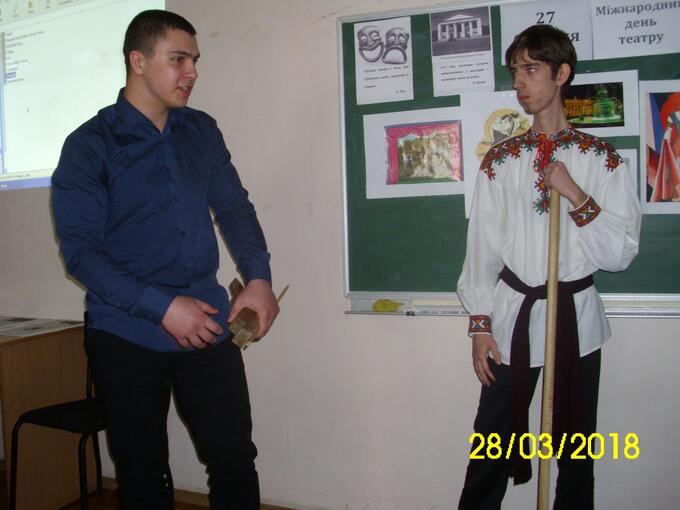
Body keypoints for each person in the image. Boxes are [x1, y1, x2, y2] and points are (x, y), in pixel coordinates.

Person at [51, 9, 279, 509]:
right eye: (178, 59)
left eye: (194, 60)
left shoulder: (202, 131)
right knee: (143, 477)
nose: (191, 72)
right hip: (125, 333)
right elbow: (81, 253)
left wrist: (258, 278)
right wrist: (163, 306)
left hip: (208, 323)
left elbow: (234, 207)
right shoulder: (88, 146)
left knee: (234, 461)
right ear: (138, 61)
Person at [456, 24, 641, 510]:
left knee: (576, 448)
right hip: (512, 316)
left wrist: (576, 194)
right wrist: (480, 324)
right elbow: (482, 249)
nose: (519, 82)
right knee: (492, 443)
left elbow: (620, 253)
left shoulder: (602, 160)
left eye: (531, 69)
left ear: (561, 74)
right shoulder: (500, 161)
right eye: (515, 71)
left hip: (577, 319)